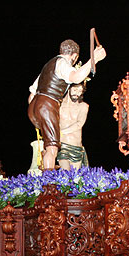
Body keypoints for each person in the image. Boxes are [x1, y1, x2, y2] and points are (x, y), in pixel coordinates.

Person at [28, 39, 106, 170]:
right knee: (52, 148)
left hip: (35, 106)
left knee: (48, 145)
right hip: (47, 104)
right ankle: (49, 185)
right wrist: (94, 59)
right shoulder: (62, 63)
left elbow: (31, 94)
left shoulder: (48, 65)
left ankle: (47, 171)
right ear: (74, 56)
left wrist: (38, 113)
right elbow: (76, 77)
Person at [58, 83, 89, 170]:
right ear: (69, 89)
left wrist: (62, 131)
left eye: (80, 91)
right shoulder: (58, 105)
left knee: (75, 178)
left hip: (76, 147)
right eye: (75, 90)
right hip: (63, 146)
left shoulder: (83, 106)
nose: (77, 93)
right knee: (66, 173)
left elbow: (79, 124)